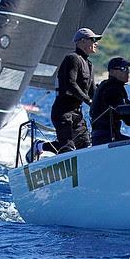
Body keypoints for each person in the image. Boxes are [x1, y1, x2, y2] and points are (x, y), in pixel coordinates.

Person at [28, 28, 100, 161]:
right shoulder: (72, 58)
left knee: (84, 146)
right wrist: (88, 101)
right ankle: (39, 146)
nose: (96, 43)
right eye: (93, 39)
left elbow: (92, 90)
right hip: (63, 112)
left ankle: (40, 146)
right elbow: (70, 84)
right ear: (81, 41)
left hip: (77, 114)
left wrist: (100, 102)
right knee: (67, 148)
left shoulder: (89, 64)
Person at [90, 57, 130, 145]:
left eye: (127, 69)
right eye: (123, 68)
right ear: (112, 72)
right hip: (105, 139)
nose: (127, 72)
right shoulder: (112, 89)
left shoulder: (111, 86)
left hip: (104, 137)